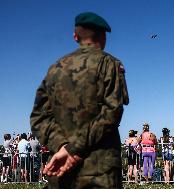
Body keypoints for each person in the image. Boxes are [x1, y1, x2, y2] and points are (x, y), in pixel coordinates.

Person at [30, 12, 129, 189]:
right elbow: (111, 113)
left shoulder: (55, 70)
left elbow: (39, 118)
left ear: (75, 36)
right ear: (103, 36)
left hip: (61, 170)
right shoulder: (108, 64)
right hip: (100, 172)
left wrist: (62, 146)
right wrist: (73, 149)